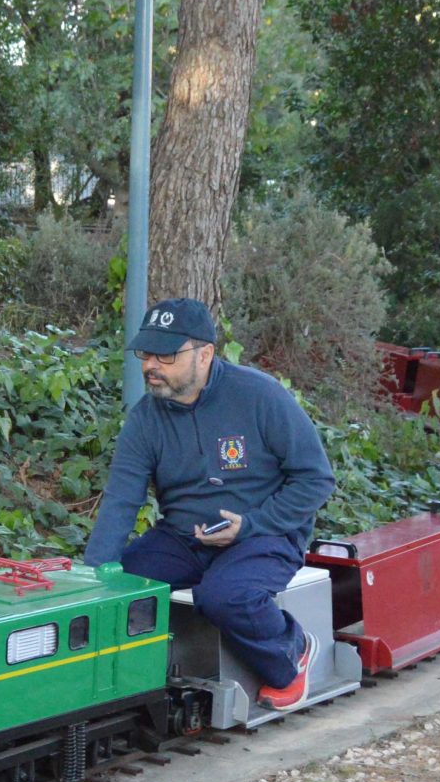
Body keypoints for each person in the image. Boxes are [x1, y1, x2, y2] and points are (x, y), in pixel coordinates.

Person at [85, 297, 336, 710]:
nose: (151, 365)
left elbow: (315, 479)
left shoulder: (259, 396)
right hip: (183, 537)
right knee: (123, 585)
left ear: (204, 354)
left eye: (166, 355)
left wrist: (253, 525)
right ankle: (133, 682)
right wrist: (94, 577)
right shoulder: (145, 418)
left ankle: (291, 652)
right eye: (145, 353)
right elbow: (121, 500)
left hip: (265, 535)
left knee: (223, 595)